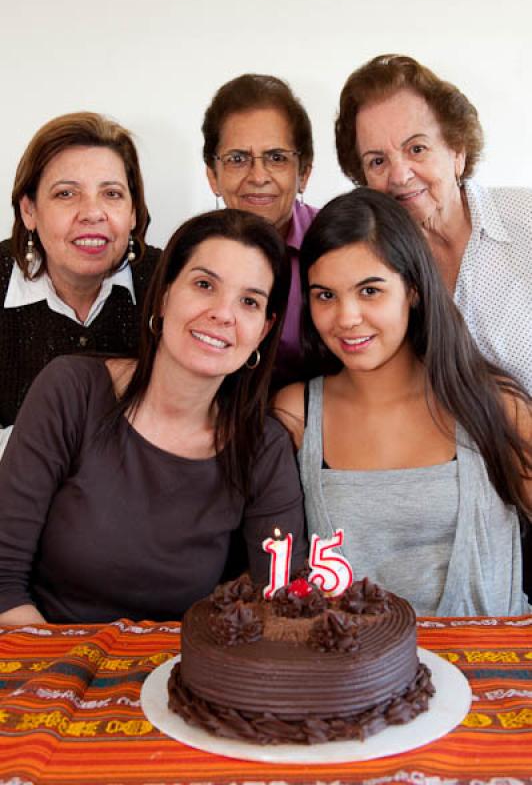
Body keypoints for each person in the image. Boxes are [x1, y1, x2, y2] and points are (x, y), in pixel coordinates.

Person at [0, 209, 307, 625]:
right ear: (163, 295)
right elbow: (3, 581)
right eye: (204, 285)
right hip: (45, 658)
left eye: (249, 301)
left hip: (182, 675)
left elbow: (279, 605)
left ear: (265, 329)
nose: (223, 313)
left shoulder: (263, 446)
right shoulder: (72, 390)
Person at [274, 188, 531, 617]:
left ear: (412, 289)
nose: (347, 317)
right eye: (325, 295)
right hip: (349, 677)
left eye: (370, 291)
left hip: (490, 670)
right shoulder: (295, 413)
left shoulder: (494, 405)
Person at [335, 54, 532, 395]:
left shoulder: (525, 216)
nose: (399, 176)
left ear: (457, 151)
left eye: (417, 148)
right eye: (378, 161)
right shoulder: (373, 265)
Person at [0, 112, 161, 457]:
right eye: (66, 194)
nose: (92, 213)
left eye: (112, 194)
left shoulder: (173, 282)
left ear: (133, 211)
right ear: (29, 210)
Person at [202, 74, 318, 388]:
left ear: (303, 173)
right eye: (238, 159)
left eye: (276, 158)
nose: (258, 176)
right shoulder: (191, 256)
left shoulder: (339, 246)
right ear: (213, 174)